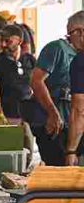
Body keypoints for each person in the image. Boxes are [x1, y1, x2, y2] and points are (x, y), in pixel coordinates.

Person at [26, 11, 84, 165]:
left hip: (73, 125)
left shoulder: (80, 56)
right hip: (53, 124)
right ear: (78, 32)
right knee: (59, 172)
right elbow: (36, 81)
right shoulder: (57, 49)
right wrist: (53, 113)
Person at [0, 24, 35, 123]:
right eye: (1, 40)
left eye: (8, 41)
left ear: (19, 41)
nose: (3, 45)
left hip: (29, 117)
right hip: (5, 116)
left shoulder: (30, 61)